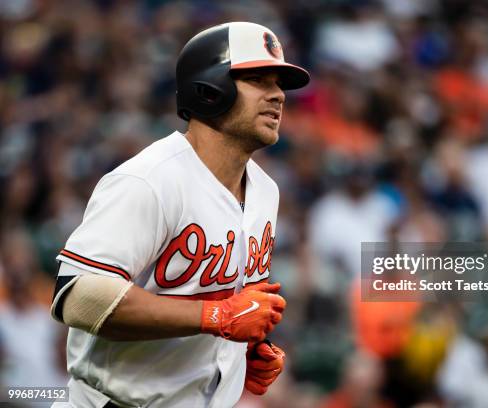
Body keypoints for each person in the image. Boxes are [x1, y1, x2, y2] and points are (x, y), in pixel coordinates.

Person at [50, 21, 310, 407]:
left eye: (279, 85)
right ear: (210, 89)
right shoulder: (151, 179)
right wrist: (218, 319)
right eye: (259, 80)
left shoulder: (266, 191)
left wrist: (247, 347)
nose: (278, 96)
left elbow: (226, 302)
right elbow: (78, 298)